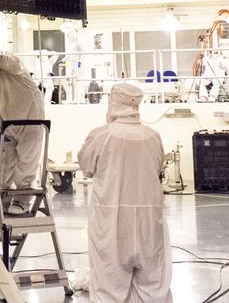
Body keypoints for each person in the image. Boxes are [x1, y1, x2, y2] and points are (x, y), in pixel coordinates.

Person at [77, 83, 171, 303]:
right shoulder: (153, 136)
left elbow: (86, 166)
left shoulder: (101, 136)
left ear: (113, 103)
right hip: (149, 220)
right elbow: (158, 169)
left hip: (111, 220)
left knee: (109, 280)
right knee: (152, 281)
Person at [0, 43, 46, 201]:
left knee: (26, 161)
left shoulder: (5, 62)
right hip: (8, 120)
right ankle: (2, 200)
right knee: (4, 162)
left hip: (31, 116)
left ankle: (22, 201)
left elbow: (16, 66)